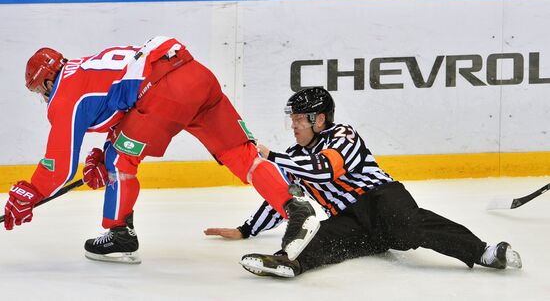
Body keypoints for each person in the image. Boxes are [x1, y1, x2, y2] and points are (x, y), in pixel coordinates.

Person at [4, 36, 321, 264]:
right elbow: (125, 103)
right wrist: (103, 149)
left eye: (38, 90)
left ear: (47, 81)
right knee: (242, 153)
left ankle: (120, 236)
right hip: (196, 75)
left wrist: (31, 191)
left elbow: (59, 165)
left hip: (162, 91)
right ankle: (295, 210)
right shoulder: (87, 66)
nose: (43, 97)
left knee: (119, 162)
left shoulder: (64, 95)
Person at [205, 87, 523, 278]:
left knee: (407, 228)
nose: (293, 125)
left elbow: (326, 168)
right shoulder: (293, 155)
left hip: (381, 199)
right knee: (322, 236)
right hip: (350, 220)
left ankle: (484, 251)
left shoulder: (344, 135)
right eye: (292, 119)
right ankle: (289, 262)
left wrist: (271, 155)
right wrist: (246, 229)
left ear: (319, 119)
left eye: (299, 119)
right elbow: (285, 199)